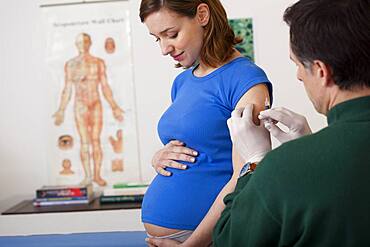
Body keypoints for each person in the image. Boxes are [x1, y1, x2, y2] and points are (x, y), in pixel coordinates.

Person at [211, 0, 370, 246]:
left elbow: (230, 240)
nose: (297, 75)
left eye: (296, 63)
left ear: (320, 70)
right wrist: (310, 147)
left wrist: (255, 165)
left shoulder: (282, 169)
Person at [140, 0, 272, 245]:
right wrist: (158, 157)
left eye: (171, 34)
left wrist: (192, 246)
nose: (164, 49)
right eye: (157, 38)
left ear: (202, 15)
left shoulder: (247, 81)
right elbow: (198, 148)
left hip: (206, 239)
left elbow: (247, 176)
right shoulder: (182, 82)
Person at [53, 33, 124, 187]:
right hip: (80, 105)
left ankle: (97, 175)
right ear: (75, 44)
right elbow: (67, 89)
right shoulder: (71, 65)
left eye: (85, 41)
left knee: (96, 141)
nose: (83, 45)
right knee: (85, 142)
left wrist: (114, 107)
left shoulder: (98, 62)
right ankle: (88, 176)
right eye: (79, 42)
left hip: (95, 104)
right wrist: (61, 110)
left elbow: (105, 86)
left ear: (90, 43)